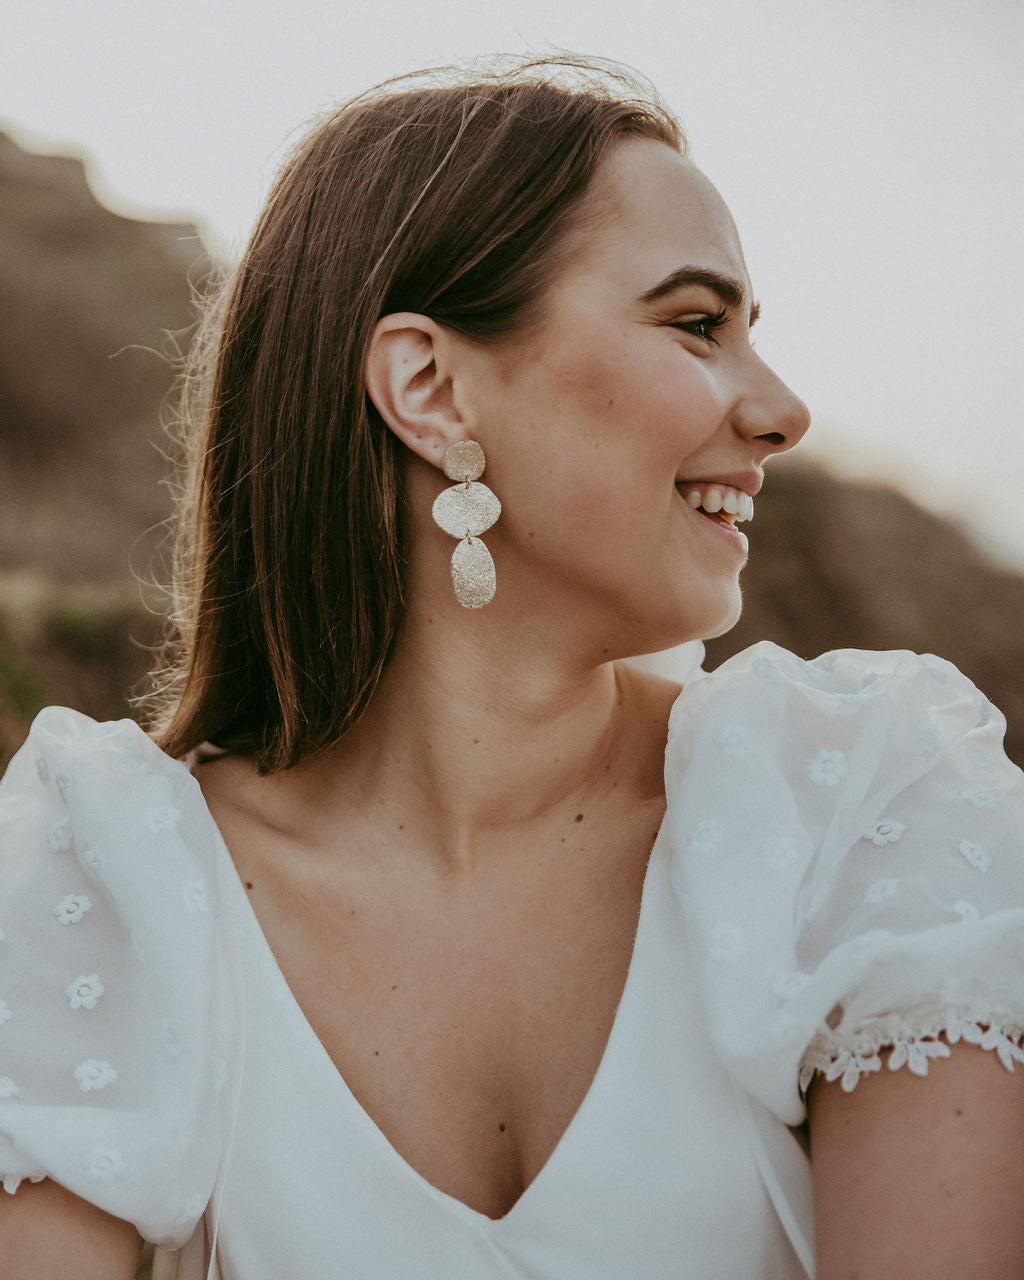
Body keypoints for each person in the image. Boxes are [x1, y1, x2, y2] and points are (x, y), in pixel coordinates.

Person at [1, 55, 1023, 1280]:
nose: (780, 409)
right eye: (697, 324)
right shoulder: (102, 878)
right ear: (430, 388)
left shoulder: (852, 799)